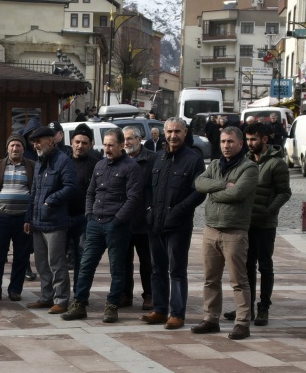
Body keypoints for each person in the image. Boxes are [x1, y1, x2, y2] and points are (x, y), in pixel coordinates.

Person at [62, 127, 144, 323]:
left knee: (117, 268)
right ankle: (79, 303)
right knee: (85, 265)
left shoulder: (132, 168)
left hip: (116, 225)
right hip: (94, 223)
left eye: (111, 145)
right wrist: (89, 214)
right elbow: (91, 193)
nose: (107, 149)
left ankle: (112, 305)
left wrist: (117, 220)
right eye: (105, 145)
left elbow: (133, 199)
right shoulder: (99, 165)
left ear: (122, 145)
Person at [192, 125, 257, 339]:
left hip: (234, 232)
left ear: (240, 143)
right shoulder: (216, 165)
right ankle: (211, 318)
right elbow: (200, 183)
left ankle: (242, 322)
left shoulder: (249, 167)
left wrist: (214, 193)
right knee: (211, 279)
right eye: (222, 142)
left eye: (230, 141)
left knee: (239, 281)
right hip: (211, 229)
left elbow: (238, 193)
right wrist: (222, 185)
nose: (226, 146)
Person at [144, 117, 205, 330]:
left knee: (177, 271)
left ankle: (177, 313)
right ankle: (159, 309)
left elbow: (199, 192)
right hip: (155, 224)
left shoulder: (194, 159)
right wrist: (149, 210)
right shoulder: (157, 158)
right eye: (169, 131)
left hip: (178, 225)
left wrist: (178, 211)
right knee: (157, 269)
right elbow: (146, 188)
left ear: (185, 132)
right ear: (164, 132)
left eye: (177, 131)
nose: (173, 136)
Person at [23, 124, 77, 314]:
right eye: (34, 143)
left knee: (56, 263)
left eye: (38, 141)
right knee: (41, 264)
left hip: (55, 223)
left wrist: (51, 201)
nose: (36, 145)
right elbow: (34, 192)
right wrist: (28, 218)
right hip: (38, 223)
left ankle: (61, 300)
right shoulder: (39, 162)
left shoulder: (63, 161)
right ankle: (46, 297)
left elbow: (71, 186)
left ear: (50, 140)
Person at [243, 123, 292, 326]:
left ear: (264, 139)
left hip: (265, 224)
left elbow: (284, 192)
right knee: (246, 267)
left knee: (265, 266)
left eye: (253, 139)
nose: (249, 143)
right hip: (246, 222)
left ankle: (264, 307)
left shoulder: (276, 163)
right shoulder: (245, 160)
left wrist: (268, 210)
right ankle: (246, 307)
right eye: (247, 139)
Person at [0, 132, 34, 302]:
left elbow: (36, 190)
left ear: (23, 149)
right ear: (7, 148)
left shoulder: (32, 166)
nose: (15, 148)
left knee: (22, 256)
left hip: (23, 220)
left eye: (18, 145)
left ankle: (15, 290)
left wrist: (31, 216)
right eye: (12, 145)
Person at [116, 127, 154, 311]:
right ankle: (125, 294)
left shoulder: (152, 159)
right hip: (123, 218)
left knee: (147, 261)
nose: (127, 142)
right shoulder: (118, 159)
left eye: (130, 138)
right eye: (124, 139)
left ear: (139, 139)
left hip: (144, 219)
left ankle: (149, 295)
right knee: (123, 260)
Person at [65, 124, 99, 295]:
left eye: (84, 143)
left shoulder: (96, 165)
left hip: (84, 219)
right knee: (58, 259)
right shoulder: (63, 161)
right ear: (72, 142)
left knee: (83, 259)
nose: (80, 146)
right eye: (77, 142)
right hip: (62, 218)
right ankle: (61, 296)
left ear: (91, 144)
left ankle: (79, 295)